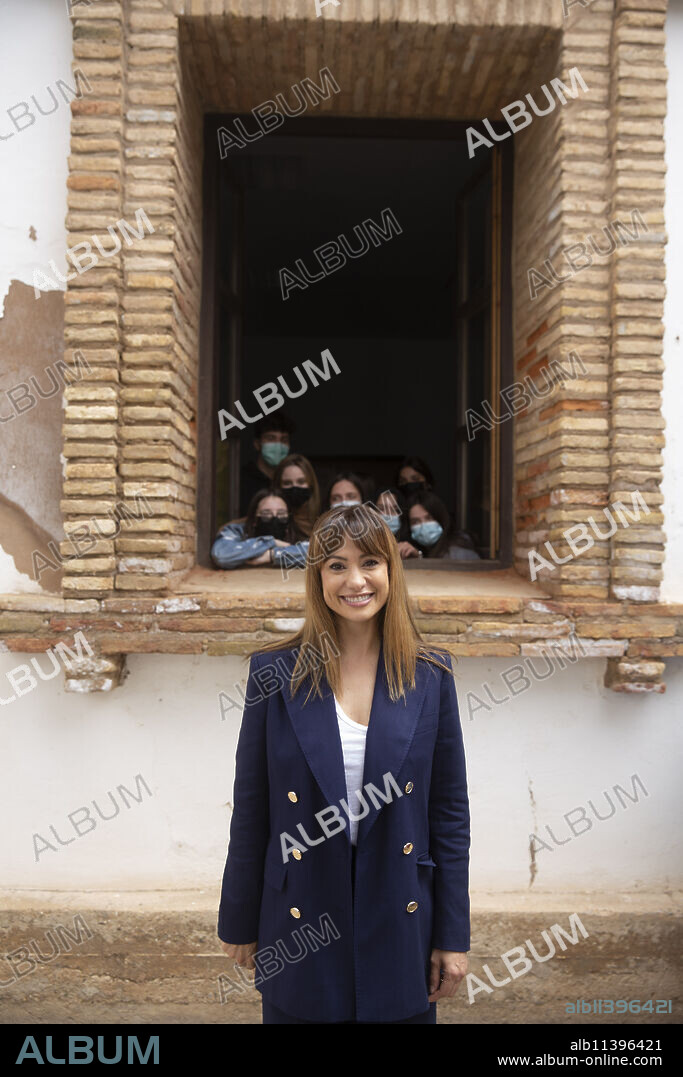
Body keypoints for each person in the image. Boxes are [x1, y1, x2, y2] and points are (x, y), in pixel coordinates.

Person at [217, 504, 471, 1024]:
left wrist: (451, 936)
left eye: (370, 562)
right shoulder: (275, 673)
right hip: (301, 915)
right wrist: (238, 920)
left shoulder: (431, 675)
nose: (355, 580)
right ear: (317, 577)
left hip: (400, 911)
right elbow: (251, 810)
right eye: (336, 565)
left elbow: (448, 815)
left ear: (391, 571)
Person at [211, 489, 308, 570]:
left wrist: (272, 555)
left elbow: (318, 552)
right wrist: (270, 542)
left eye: (281, 513)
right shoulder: (236, 530)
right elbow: (222, 554)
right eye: (266, 513)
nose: (275, 517)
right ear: (255, 517)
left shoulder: (299, 531)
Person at [239, 414, 294, 515]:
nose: (278, 445)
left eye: (284, 440)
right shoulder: (241, 480)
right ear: (257, 444)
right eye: (271, 438)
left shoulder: (292, 481)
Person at [407, 492, 480, 561]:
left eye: (429, 518)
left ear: (440, 518)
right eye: (415, 521)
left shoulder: (457, 552)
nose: (423, 526)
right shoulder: (420, 549)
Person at [273, 453, 321, 539]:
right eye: (287, 483)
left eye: (301, 482)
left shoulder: (324, 522)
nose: (294, 487)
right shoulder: (271, 521)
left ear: (311, 484)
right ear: (278, 486)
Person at [374, 486, 421, 560]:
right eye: (381, 509)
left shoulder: (411, 544)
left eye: (394, 509)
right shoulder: (361, 543)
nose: (388, 515)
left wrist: (418, 555)